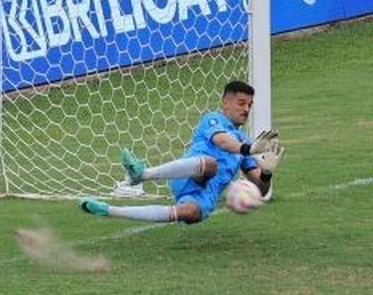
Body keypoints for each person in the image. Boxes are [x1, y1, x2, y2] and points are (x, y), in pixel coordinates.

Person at [78, 80, 283, 224]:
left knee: (189, 212)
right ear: (225, 102)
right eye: (241, 103)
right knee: (211, 164)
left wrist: (266, 172)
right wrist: (248, 149)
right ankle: (142, 174)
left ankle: (108, 211)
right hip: (189, 174)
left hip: (205, 195)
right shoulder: (213, 119)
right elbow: (221, 141)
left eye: (250, 104)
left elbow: (261, 191)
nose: (246, 109)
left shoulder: (245, 142)